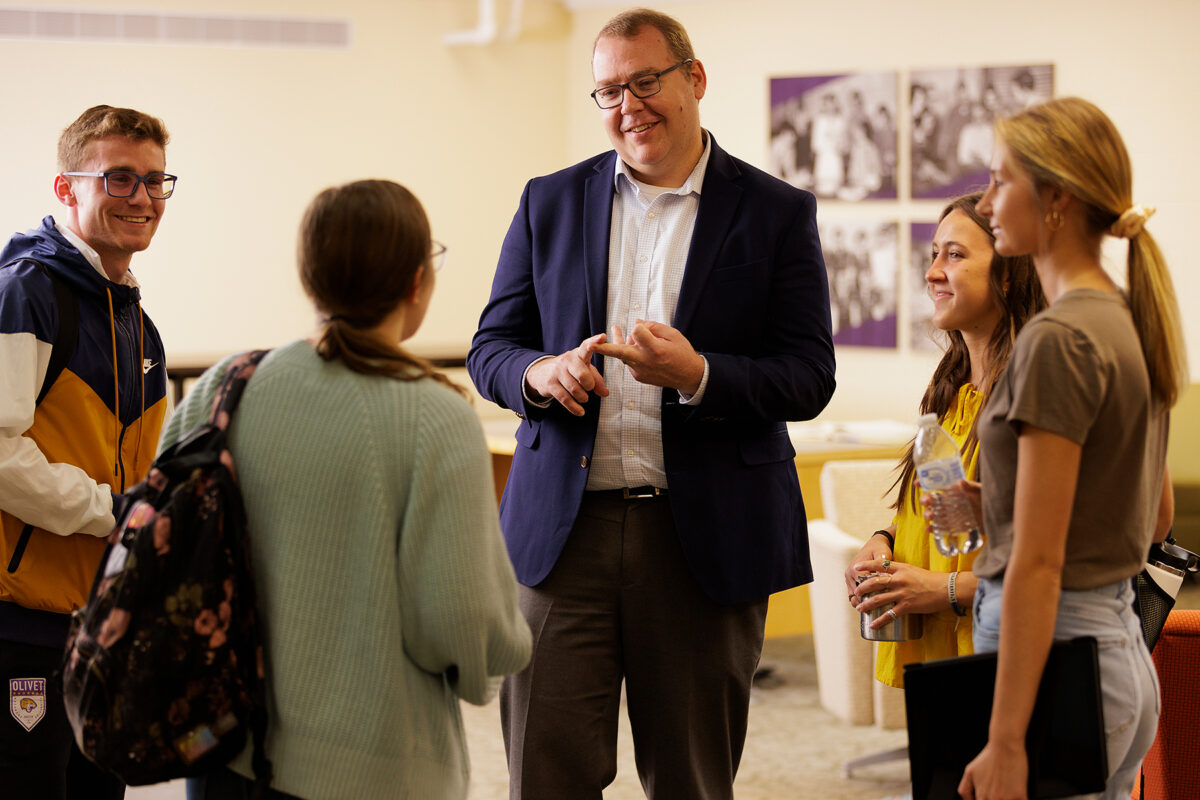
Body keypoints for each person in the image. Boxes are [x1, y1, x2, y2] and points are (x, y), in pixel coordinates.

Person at [466, 8, 835, 798]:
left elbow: (808, 375)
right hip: (562, 541)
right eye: (608, 91)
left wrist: (701, 373)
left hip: (702, 536)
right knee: (544, 775)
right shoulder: (549, 202)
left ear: (694, 80)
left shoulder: (776, 212)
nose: (628, 106)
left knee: (693, 780)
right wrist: (539, 376)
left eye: (645, 81)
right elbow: (491, 348)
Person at [176, 180, 531, 799]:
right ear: (418, 282)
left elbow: (165, 542)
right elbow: (461, 621)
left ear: (310, 279)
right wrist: (502, 654)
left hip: (225, 751)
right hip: (378, 766)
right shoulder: (434, 417)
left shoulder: (224, 387)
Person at [960, 97, 1185, 800]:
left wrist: (1004, 741)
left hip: (1059, 659)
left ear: (1054, 199)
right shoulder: (1127, 318)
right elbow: (1150, 519)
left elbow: (1040, 560)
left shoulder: (1057, 340)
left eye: (1001, 181)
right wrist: (997, 505)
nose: (987, 200)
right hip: (1114, 653)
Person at [0, 104, 174, 800]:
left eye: (156, 180)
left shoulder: (136, 319)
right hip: (24, 628)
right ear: (66, 188)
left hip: (105, 626)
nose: (142, 197)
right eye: (120, 178)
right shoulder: (23, 296)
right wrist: (111, 512)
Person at [843, 192, 1044, 688]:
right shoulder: (951, 390)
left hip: (1002, 663)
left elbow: (1055, 563)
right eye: (934, 254)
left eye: (954, 254)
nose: (933, 272)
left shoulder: (1032, 392)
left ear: (1006, 273)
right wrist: (885, 540)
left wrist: (943, 589)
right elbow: (943, 508)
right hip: (943, 657)